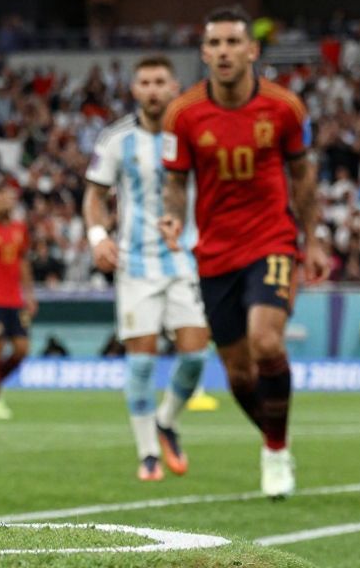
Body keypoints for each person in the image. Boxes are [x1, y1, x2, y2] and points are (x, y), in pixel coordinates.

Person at [159, 8, 328, 499]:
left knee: (267, 343)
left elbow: (303, 177)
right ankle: (276, 437)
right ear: (204, 52)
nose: (225, 52)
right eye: (215, 44)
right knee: (236, 370)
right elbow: (175, 180)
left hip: (271, 238)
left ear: (252, 50)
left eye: (234, 42)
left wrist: (312, 240)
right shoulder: (184, 113)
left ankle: (273, 453)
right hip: (214, 251)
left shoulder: (284, 108)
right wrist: (173, 215)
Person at [84, 55, 211, 482]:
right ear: (135, 89)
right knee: (141, 362)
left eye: (161, 81)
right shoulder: (116, 139)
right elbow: (95, 195)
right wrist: (99, 238)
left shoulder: (193, 134)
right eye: (145, 82)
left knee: (195, 355)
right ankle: (147, 454)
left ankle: (167, 420)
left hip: (185, 259)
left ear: (175, 86)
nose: (153, 89)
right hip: (136, 263)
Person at [0, 176, 35, 420]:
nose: (5, 201)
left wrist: (29, 294)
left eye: (9, 196)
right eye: (0, 196)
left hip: (15, 299)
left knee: (22, 349)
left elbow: (22, 262)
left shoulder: (20, 229)